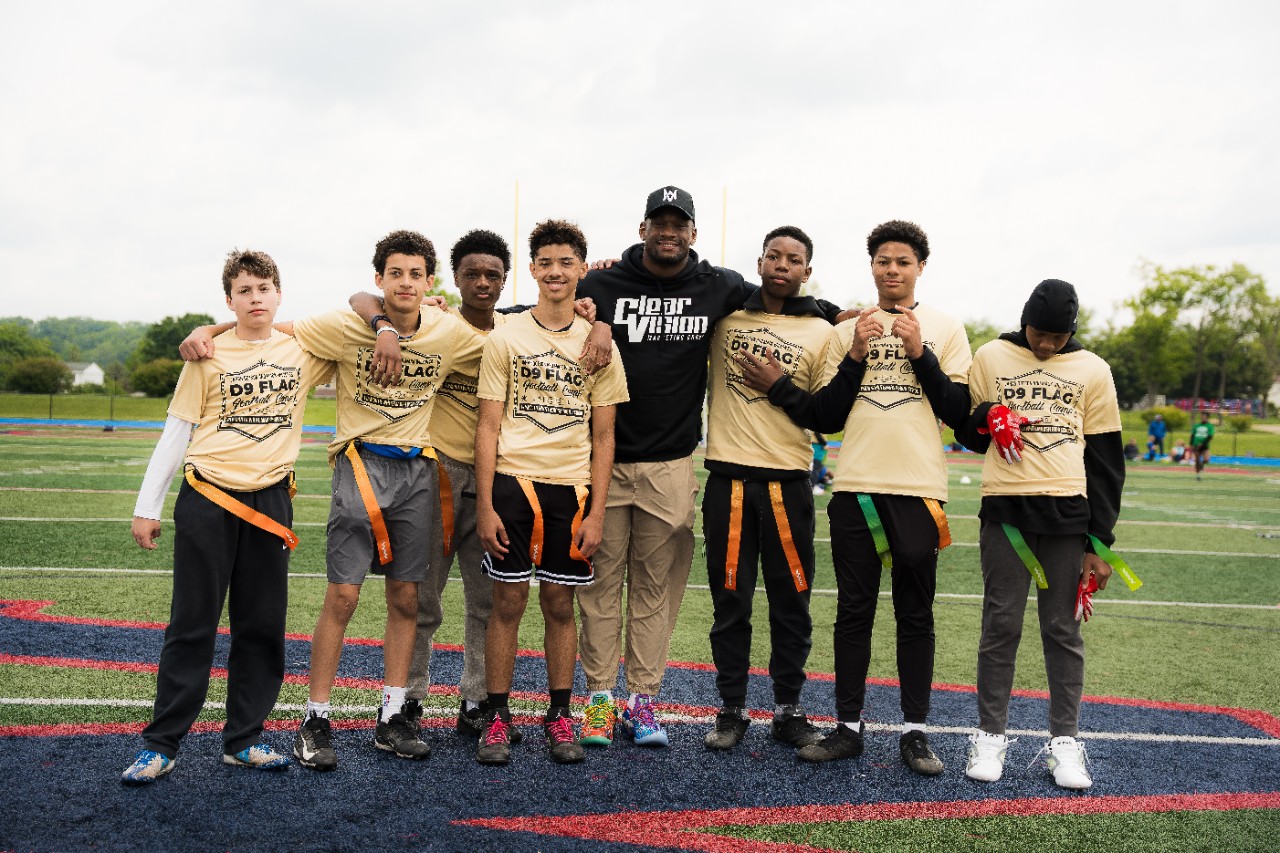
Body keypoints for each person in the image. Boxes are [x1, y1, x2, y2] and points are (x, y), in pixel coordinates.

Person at [180, 230, 486, 769]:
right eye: (396, 273)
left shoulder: (448, 331)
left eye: (416, 274)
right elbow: (267, 325)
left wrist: (589, 311)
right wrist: (208, 327)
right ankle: (315, 718)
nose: (406, 283)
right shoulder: (346, 325)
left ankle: (392, 716)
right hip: (359, 464)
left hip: (418, 469)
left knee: (407, 600)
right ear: (379, 279)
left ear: (430, 281)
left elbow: (511, 341)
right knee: (342, 596)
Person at [738, 220, 971, 775]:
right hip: (857, 487)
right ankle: (848, 726)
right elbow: (826, 416)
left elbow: (959, 412)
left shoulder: (946, 327)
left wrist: (921, 354)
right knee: (853, 612)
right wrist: (853, 357)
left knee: (916, 615)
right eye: (883, 261)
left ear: (920, 268)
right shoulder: (847, 331)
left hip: (918, 490)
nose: (892, 270)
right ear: (872, 267)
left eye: (903, 262)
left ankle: (915, 732)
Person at [121, 250, 334, 784]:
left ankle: (244, 739)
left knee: (262, 625)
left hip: (270, 501)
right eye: (244, 291)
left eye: (264, 288)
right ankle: (162, 744)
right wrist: (147, 506)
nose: (255, 298)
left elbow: (363, 319)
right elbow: (177, 430)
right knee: (192, 624)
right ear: (229, 299)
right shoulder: (206, 354)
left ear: (279, 294)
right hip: (208, 497)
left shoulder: (304, 348)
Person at [955, 278, 1124, 791]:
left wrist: (1100, 540)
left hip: (1068, 514)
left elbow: (1106, 460)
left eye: (1056, 336)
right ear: (1023, 318)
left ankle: (1065, 741)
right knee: (1001, 622)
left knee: (1062, 630)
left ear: (1071, 331)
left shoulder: (1093, 369)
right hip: (1006, 508)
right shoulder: (991, 356)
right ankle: (990, 735)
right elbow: (966, 428)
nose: (1045, 344)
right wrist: (989, 416)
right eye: (1038, 332)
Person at [473, 219, 628, 765]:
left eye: (567, 262)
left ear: (582, 269)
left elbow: (605, 435)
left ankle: (559, 716)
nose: (556, 271)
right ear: (533, 269)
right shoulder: (507, 335)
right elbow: (487, 425)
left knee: (561, 602)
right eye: (546, 262)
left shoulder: (599, 342)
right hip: (514, 484)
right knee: (508, 601)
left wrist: (599, 512)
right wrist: (487, 502)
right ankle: (497, 716)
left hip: (572, 489)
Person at [700, 226, 834, 752]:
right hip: (729, 480)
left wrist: (777, 385)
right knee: (730, 601)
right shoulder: (724, 318)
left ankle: (788, 708)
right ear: (758, 262)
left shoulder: (822, 330)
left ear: (807, 270)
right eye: (774, 255)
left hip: (786, 484)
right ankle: (732, 708)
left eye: (794, 258)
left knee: (791, 601)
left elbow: (826, 413)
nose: (782, 265)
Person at [1190, 411, 1215, 480]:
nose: (1202, 417)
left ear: (1207, 417)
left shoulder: (1209, 426)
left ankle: (1202, 464)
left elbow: (1210, 436)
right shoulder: (1196, 425)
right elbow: (1192, 435)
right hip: (1196, 445)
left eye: (1204, 416)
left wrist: (1203, 444)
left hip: (1204, 445)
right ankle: (1198, 475)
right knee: (1197, 460)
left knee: (1206, 459)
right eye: (1202, 416)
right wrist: (1191, 444)